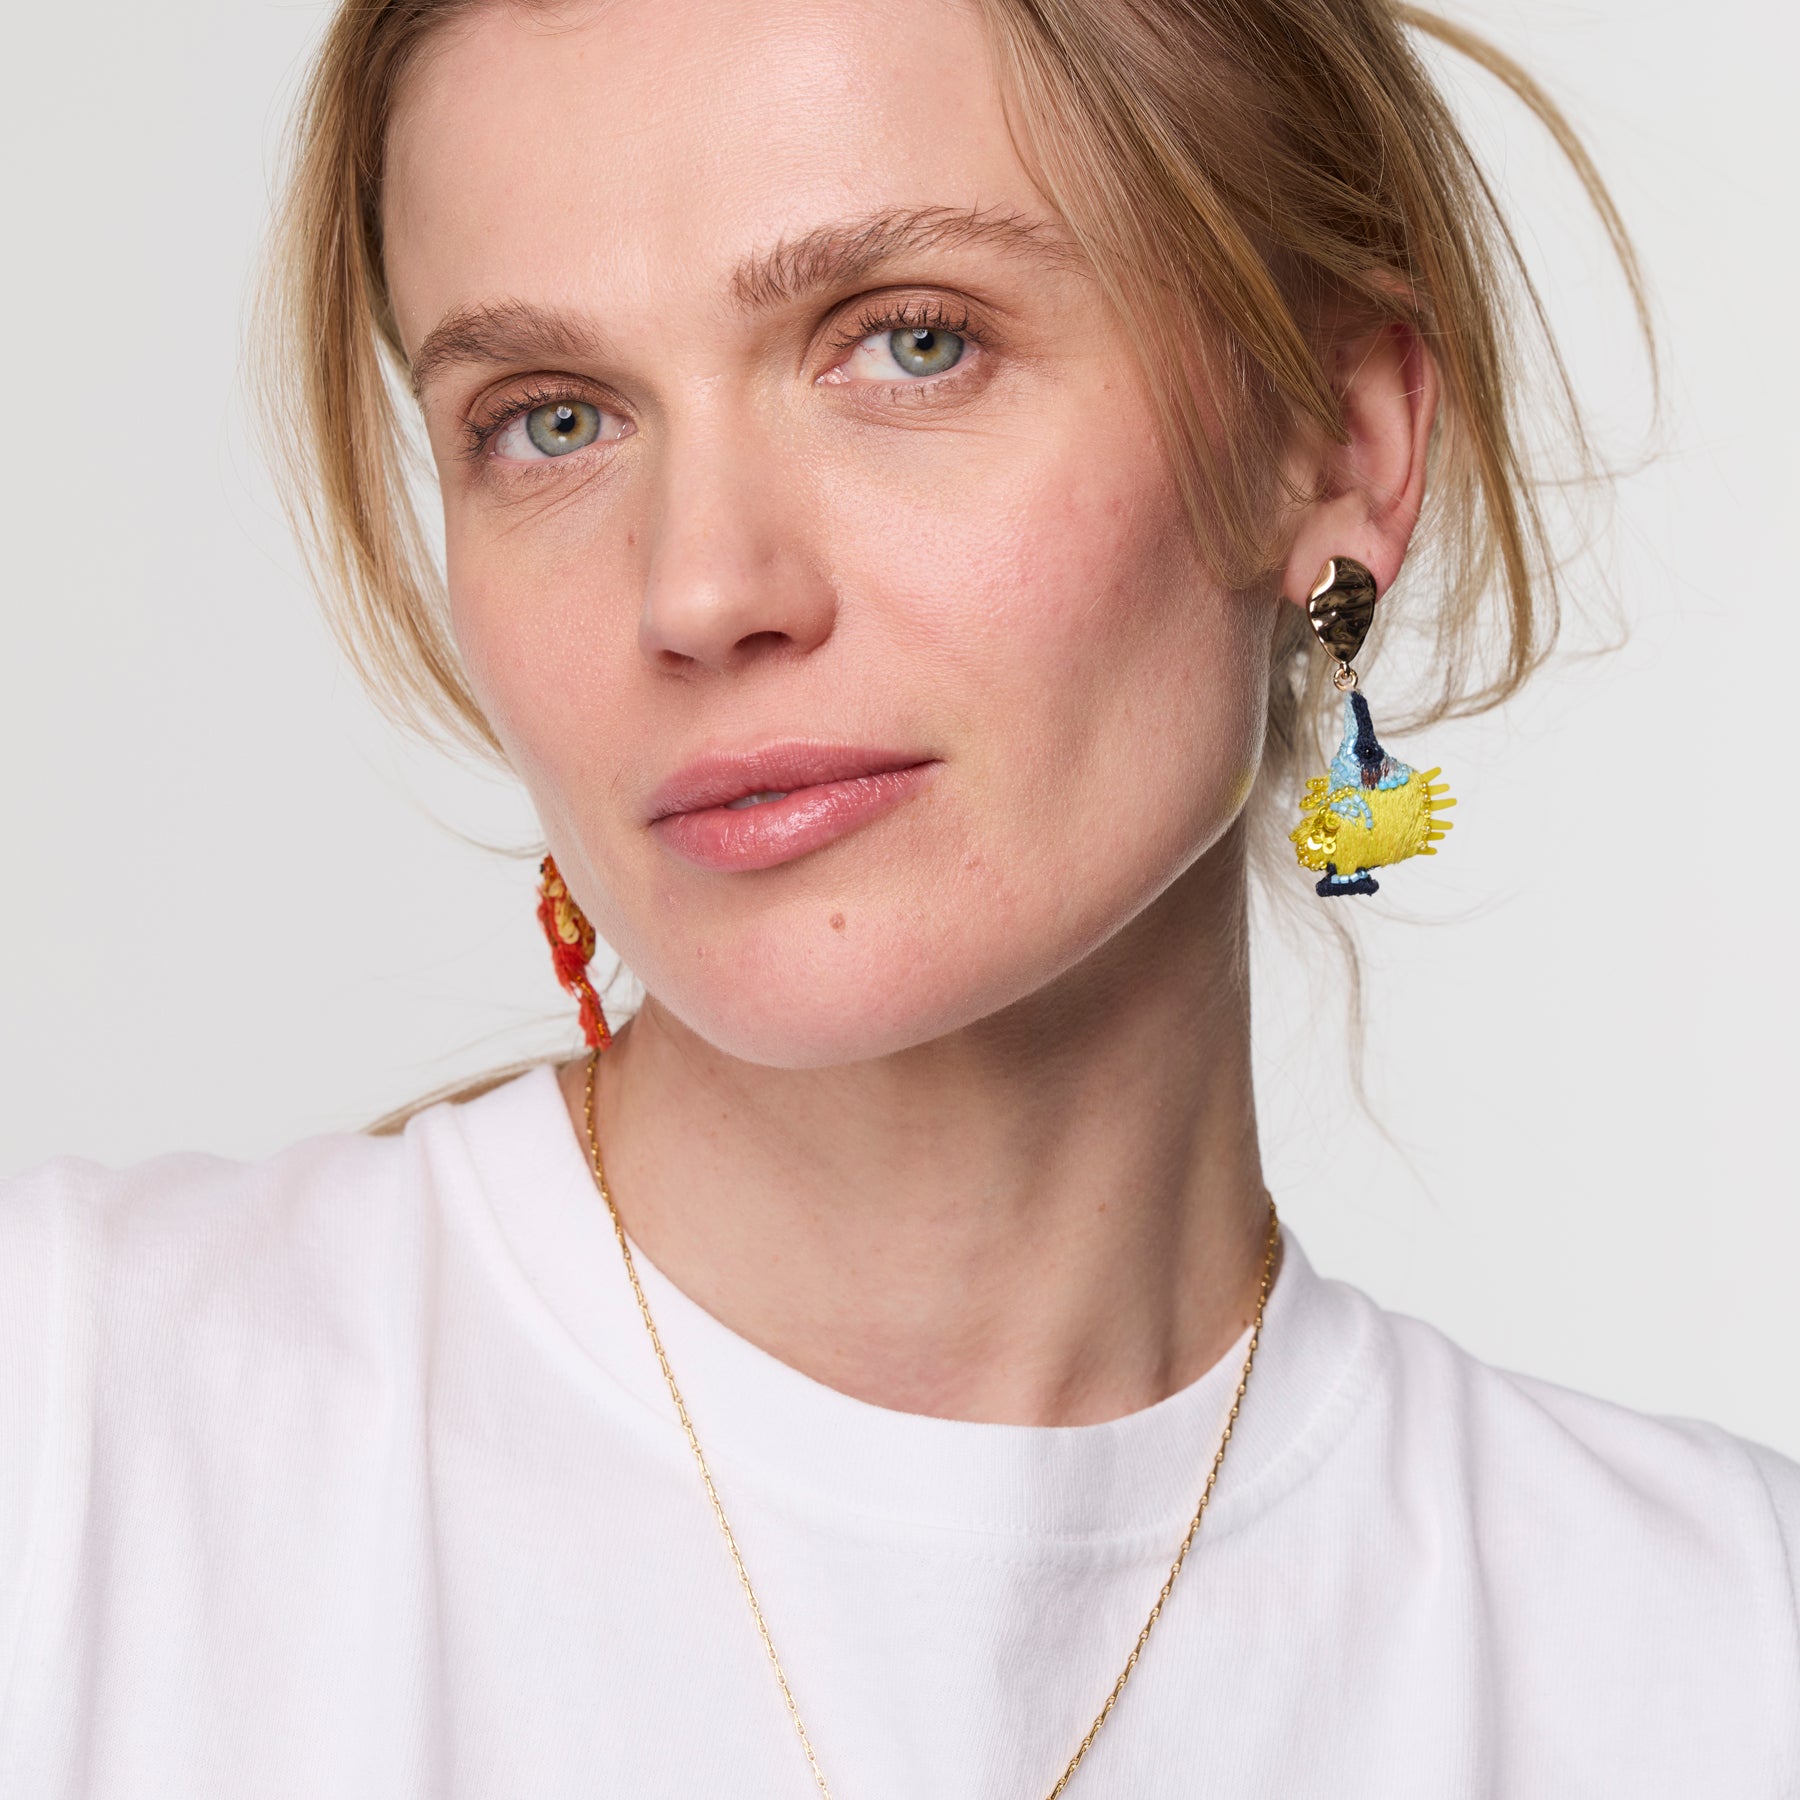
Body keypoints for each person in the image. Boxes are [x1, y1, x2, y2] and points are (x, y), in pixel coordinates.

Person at [2, 0, 1795, 1793]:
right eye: (552, 421)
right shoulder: (68, 1430)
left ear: (1335, 447)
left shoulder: (1719, 1651)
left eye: (910, 344)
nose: (701, 591)